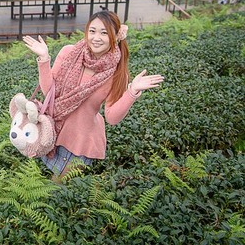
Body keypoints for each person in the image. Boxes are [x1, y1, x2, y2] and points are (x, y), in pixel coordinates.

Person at [22, 10, 164, 180]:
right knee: (40, 181)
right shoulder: (69, 52)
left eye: (104, 33)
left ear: (115, 36)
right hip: (53, 128)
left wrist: (132, 92)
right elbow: (49, 91)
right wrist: (44, 59)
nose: (96, 37)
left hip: (80, 140)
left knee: (57, 188)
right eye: (93, 31)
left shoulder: (117, 73)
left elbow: (111, 117)